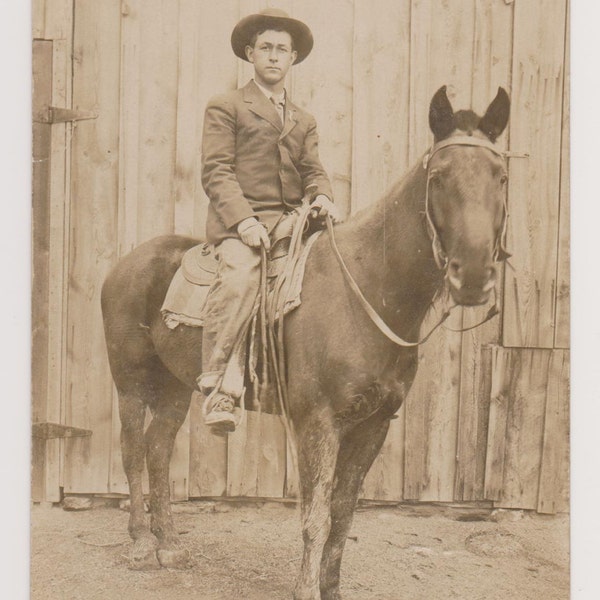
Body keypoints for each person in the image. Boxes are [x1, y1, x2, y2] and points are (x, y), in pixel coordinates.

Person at [198, 8, 340, 431]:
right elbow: (216, 171)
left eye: (282, 49)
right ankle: (221, 388)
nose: (274, 56)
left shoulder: (303, 119)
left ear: (293, 58)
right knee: (242, 276)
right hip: (241, 224)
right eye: (266, 48)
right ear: (250, 54)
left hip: (290, 222)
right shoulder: (227, 106)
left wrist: (324, 197)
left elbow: (313, 169)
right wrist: (243, 222)